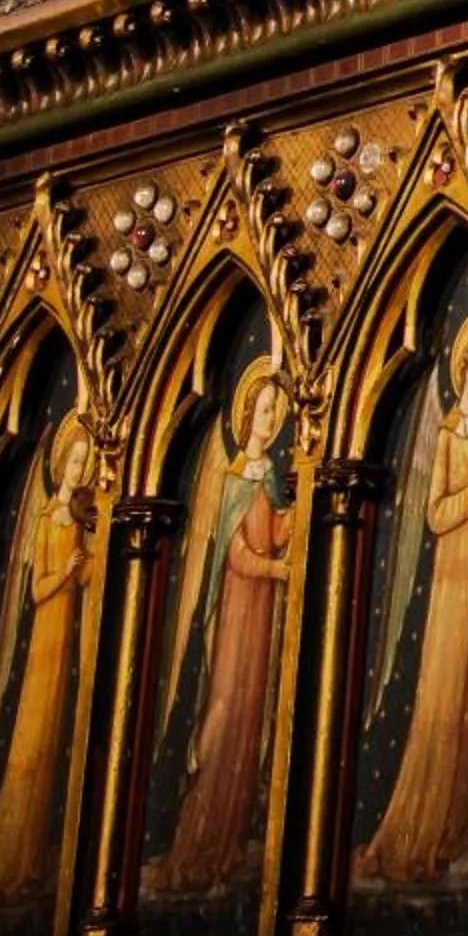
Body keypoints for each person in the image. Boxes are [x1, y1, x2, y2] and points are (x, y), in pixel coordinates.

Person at [355, 319, 468, 881]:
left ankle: (456, 811)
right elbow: (436, 512)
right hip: (450, 581)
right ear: (465, 370)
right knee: (442, 695)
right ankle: (420, 817)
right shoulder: (449, 435)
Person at [147, 375, 294, 897]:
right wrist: (276, 570)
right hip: (237, 617)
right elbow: (236, 554)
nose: (272, 419)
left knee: (251, 722)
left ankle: (229, 840)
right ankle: (198, 839)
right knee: (226, 714)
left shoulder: (270, 475)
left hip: (262, 619)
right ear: (246, 416)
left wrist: (293, 519)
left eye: (278, 410)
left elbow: (274, 531)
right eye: (264, 410)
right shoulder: (233, 479)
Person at [0, 417, 96, 917]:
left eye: (86, 463)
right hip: (43, 647)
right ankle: (5, 859)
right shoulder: (43, 523)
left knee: (55, 752)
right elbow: (38, 589)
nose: (80, 470)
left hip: (68, 647)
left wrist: (88, 562)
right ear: (60, 465)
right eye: (76, 462)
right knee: (30, 749)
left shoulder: (79, 522)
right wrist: (64, 573)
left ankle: (32, 865)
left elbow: (89, 579)